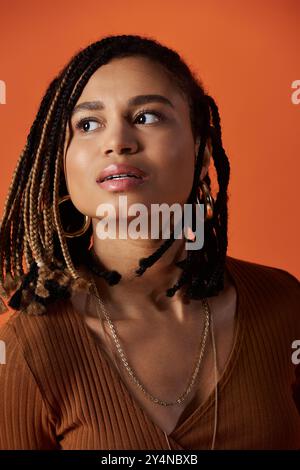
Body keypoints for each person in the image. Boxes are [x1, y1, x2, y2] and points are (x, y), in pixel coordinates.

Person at [0, 34, 299, 450]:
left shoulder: (285, 304)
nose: (118, 141)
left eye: (147, 117)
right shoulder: (30, 348)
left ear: (202, 149)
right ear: (59, 163)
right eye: (88, 124)